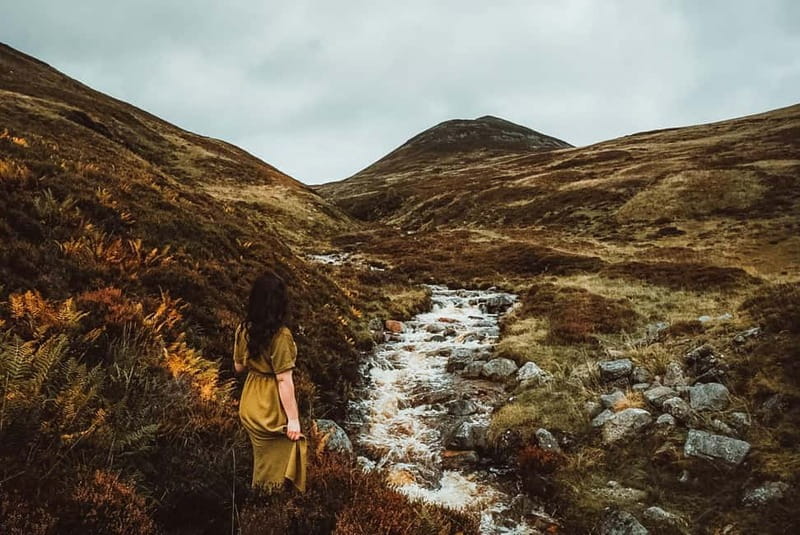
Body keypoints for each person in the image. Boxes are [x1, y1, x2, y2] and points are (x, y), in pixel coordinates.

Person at [233, 270, 307, 493]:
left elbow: (238, 367)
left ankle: (262, 496)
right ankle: (267, 504)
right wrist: (293, 420)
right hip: (268, 406)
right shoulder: (281, 335)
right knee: (295, 445)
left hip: (249, 403)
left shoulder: (243, 329)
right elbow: (284, 380)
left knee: (262, 457)